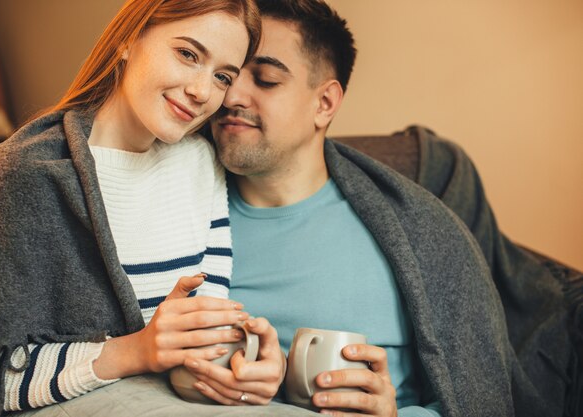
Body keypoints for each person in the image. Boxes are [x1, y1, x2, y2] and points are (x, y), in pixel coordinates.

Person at [179, 0, 575, 416]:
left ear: (325, 104)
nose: (231, 96)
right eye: (229, 75)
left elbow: (481, 397)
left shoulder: (420, 235)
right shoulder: (177, 217)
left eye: (266, 79)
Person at [0, 0, 262, 415]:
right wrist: (135, 351)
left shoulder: (201, 163)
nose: (202, 91)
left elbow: (206, 336)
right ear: (127, 41)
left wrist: (251, 363)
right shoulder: (25, 176)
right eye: (188, 54)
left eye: (222, 76)